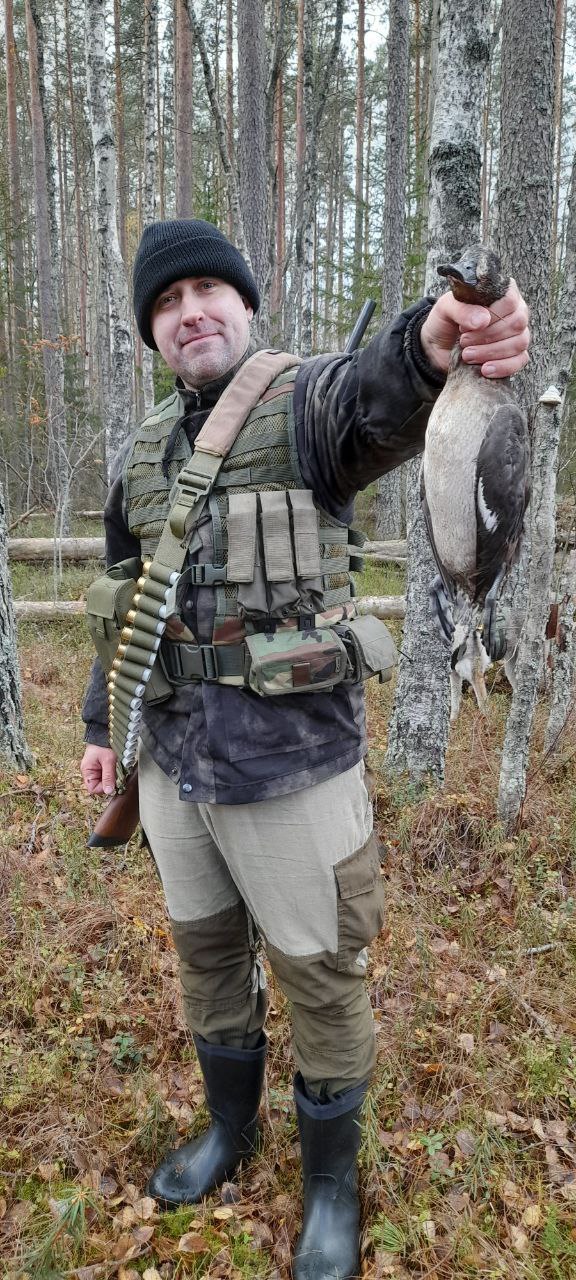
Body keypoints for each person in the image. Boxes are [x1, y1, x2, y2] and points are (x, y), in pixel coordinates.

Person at [81, 219, 529, 1280]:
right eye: (167, 301)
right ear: (152, 329)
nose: (190, 311)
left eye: (208, 290)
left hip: (293, 769)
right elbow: (122, 602)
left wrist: (435, 340)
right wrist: (103, 728)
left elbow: (381, 392)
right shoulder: (140, 454)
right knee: (206, 959)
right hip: (174, 766)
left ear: (245, 303)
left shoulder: (306, 405)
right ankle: (229, 1131)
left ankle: (331, 1182)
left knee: (322, 975)